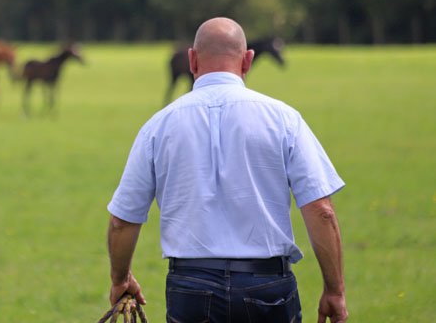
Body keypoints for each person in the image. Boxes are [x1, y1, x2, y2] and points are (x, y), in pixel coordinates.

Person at [106, 17, 347, 323]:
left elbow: (122, 222)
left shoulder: (158, 125)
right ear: (248, 60)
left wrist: (120, 279)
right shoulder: (285, 119)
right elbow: (321, 211)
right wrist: (335, 290)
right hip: (268, 286)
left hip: (191, 287)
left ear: (192, 60)